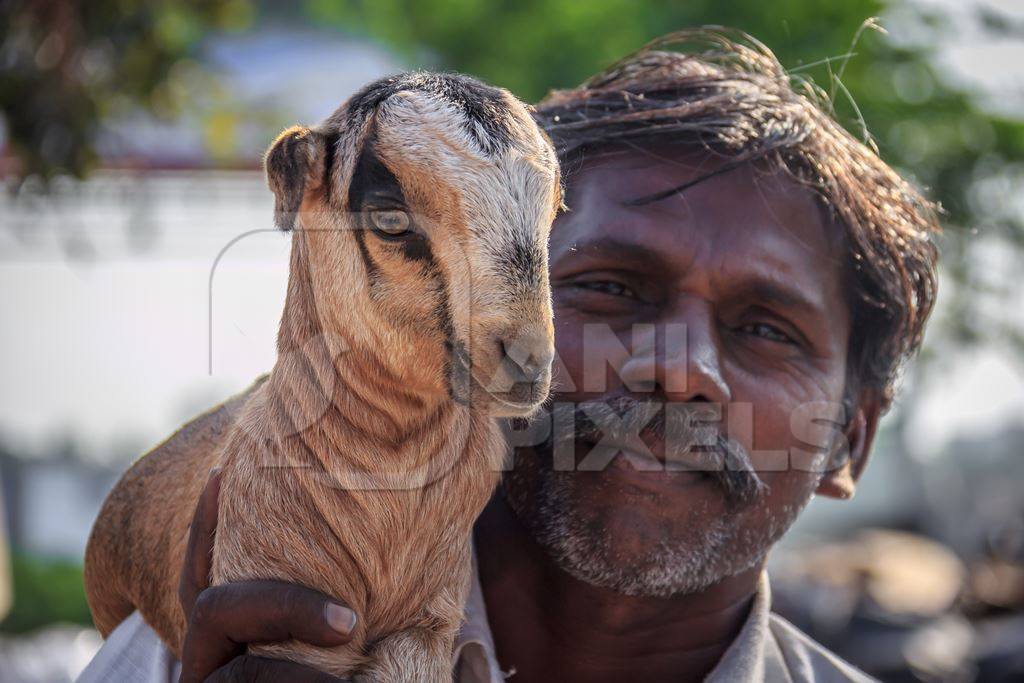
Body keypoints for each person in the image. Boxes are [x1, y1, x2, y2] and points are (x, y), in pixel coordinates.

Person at [79, 28, 940, 683]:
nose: (680, 370)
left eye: (765, 331)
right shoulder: (207, 641)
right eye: (610, 287)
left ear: (849, 440)